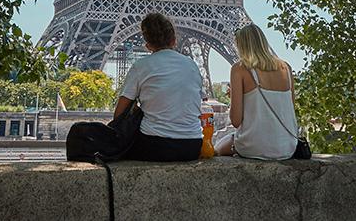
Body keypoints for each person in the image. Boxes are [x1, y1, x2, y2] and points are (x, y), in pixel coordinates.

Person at [114, 12, 204, 162]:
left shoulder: (141, 66)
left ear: (147, 44)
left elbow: (119, 114)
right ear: (174, 40)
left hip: (154, 146)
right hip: (192, 145)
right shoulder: (192, 66)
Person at [213, 23, 299, 160]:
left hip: (254, 147)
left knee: (216, 148)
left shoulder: (239, 69)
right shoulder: (286, 68)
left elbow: (235, 121)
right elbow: (289, 109)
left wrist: (234, 98)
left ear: (242, 46)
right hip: (288, 148)